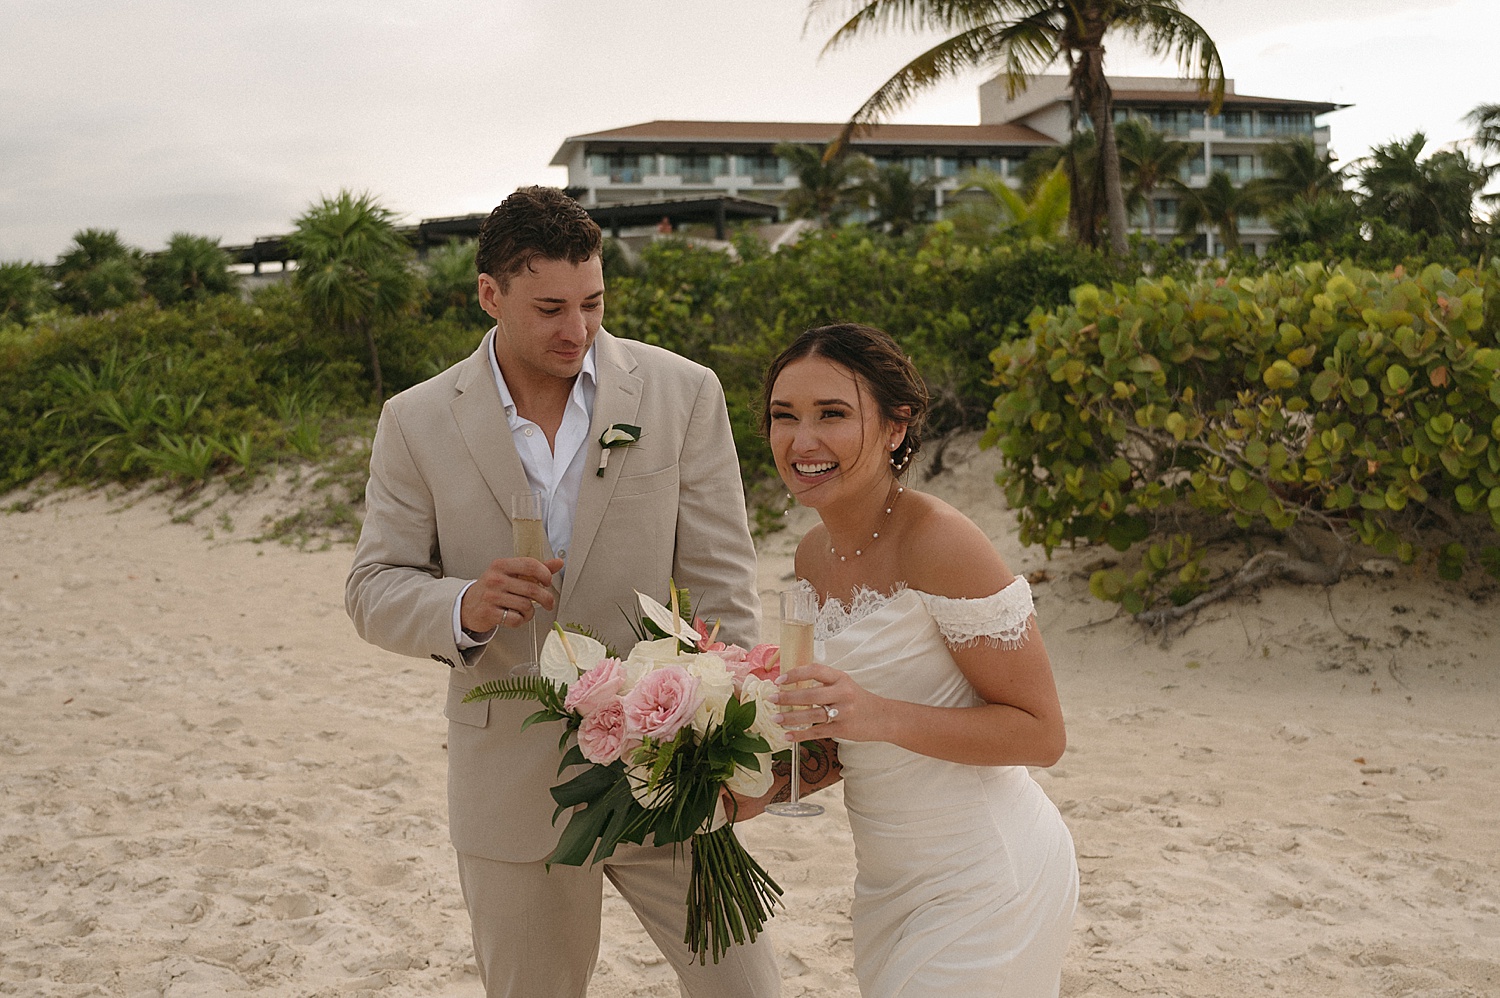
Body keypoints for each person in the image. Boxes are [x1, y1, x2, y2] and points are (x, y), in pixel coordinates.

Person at [345, 186, 780, 998]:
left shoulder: (684, 392)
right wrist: (463, 606)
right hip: (512, 788)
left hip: (672, 766)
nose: (576, 329)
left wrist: (734, 742)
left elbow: (723, 580)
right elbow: (371, 588)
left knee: (747, 988)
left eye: (592, 303)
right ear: (489, 294)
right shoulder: (415, 420)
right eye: (550, 307)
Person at [761, 323, 1077, 997]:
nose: (801, 440)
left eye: (833, 415)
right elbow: (845, 737)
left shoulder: (939, 541)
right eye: (783, 417)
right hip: (889, 886)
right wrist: (736, 790)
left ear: (896, 427)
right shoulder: (811, 556)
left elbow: (1042, 734)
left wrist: (878, 714)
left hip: (987, 875)